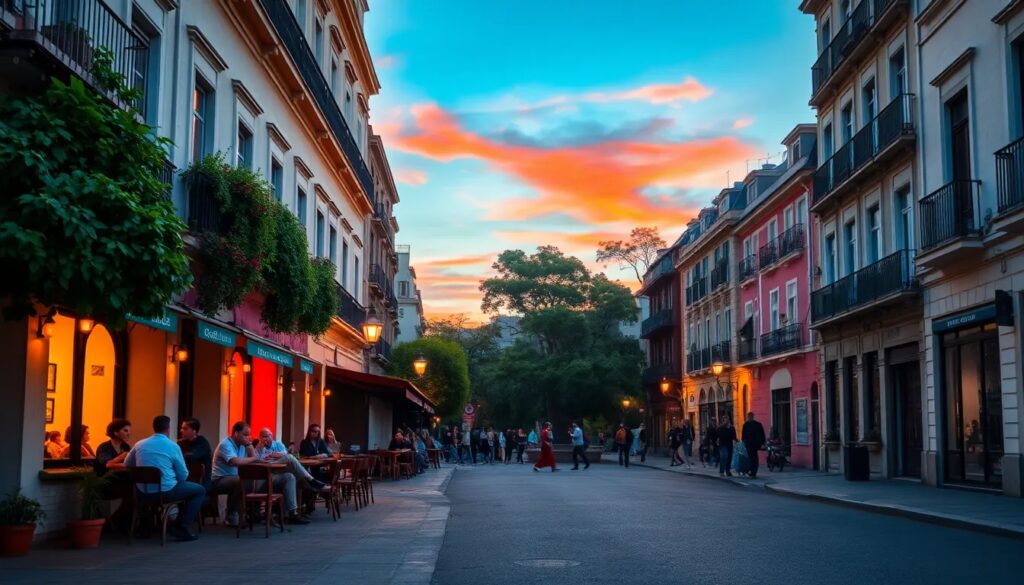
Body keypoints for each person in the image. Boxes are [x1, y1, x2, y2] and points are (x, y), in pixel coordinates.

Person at [211, 421, 308, 526]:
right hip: (220, 479)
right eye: (245, 434)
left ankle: (290, 513)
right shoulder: (226, 444)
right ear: (236, 433)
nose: (248, 437)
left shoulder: (244, 445)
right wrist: (254, 456)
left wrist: (249, 445)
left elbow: (254, 459)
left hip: (241, 478)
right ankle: (233, 515)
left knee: (288, 477)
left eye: (249, 434)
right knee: (242, 481)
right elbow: (234, 461)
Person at [125, 415, 206, 542]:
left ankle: (145, 528)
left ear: (154, 428)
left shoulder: (139, 444)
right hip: (166, 492)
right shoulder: (173, 446)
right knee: (199, 490)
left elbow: (127, 464)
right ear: (168, 429)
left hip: (142, 493)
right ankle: (181, 527)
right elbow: (183, 474)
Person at [178, 417, 213, 489]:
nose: (181, 430)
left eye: (185, 428)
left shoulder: (202, 443)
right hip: (185, 480)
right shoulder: (180, 443)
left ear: (194, 431)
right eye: (181, 428)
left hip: (202, 483)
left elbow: (192, 457)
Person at [741, 412, 767, 478]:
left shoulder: (758, 424)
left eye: (751, 416)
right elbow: (743, 435)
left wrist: (763, 443)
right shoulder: (745, 425)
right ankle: (752, 471)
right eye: (749, 416)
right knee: (752, 457)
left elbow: (762, 434)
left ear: (753, 417)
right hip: (749, 444)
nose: (750, 418)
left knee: (754, 457)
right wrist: (744, 442)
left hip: (755, 444)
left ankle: (753, 472)